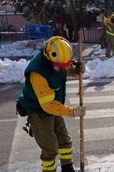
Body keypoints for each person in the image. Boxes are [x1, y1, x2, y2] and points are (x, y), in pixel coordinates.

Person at [17, 36, 86, 172]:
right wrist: (73, 112)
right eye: (60, 68)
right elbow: (48, 105)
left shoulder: (57, 60)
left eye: (64, 67)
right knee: (50, 149)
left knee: (64, 140)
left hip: (54, 108)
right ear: (49, 57)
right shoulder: (38, 73)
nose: (63, 70)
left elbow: (63, 68)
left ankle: (67, 168)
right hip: (39, 112)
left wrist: (76, 70)